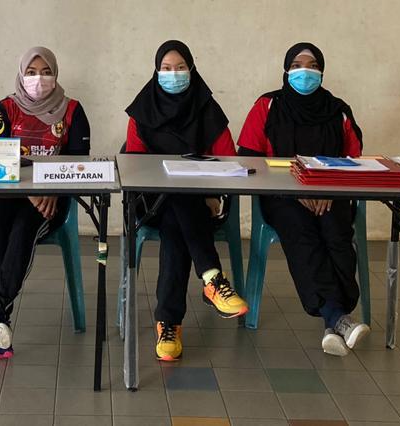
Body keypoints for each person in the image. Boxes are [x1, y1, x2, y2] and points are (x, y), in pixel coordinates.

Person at [237, 42, 370, 356]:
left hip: (330, 195)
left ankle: (333, 320)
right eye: (297, 65)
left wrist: (326, 190)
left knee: (336, 232)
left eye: (312, 66)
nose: (304, 72)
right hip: (282, 197)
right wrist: (295, 191)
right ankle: (339, 318)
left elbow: (354, 161)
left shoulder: (338, 110)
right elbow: (248, 160)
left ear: (322, 72)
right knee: (302, 233)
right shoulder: (267, 106)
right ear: (286, 70)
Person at [0, 46, 91, 359]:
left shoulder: (72, 111)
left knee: (22, 232)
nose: (39, 79)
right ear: (21, 75)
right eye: (31, 72)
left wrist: (53, 191)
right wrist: (28, 190)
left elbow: (78, 164)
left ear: (55, 74)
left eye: (46, 72)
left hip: (48, 198)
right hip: (2, 193)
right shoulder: (4, 109)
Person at [123, 40, 248, 362]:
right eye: (166, 68)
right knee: (178, 199)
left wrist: (211, 193)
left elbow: (228, 161)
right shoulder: (142, 111)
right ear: (156, 71)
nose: (173, 74)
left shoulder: (208, 110)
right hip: (151, 202)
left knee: (176, 224)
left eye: (180, 68)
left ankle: (169, 324)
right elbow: (133, 166)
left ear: (192, 70)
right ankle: (212, 277)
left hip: (199, 201)